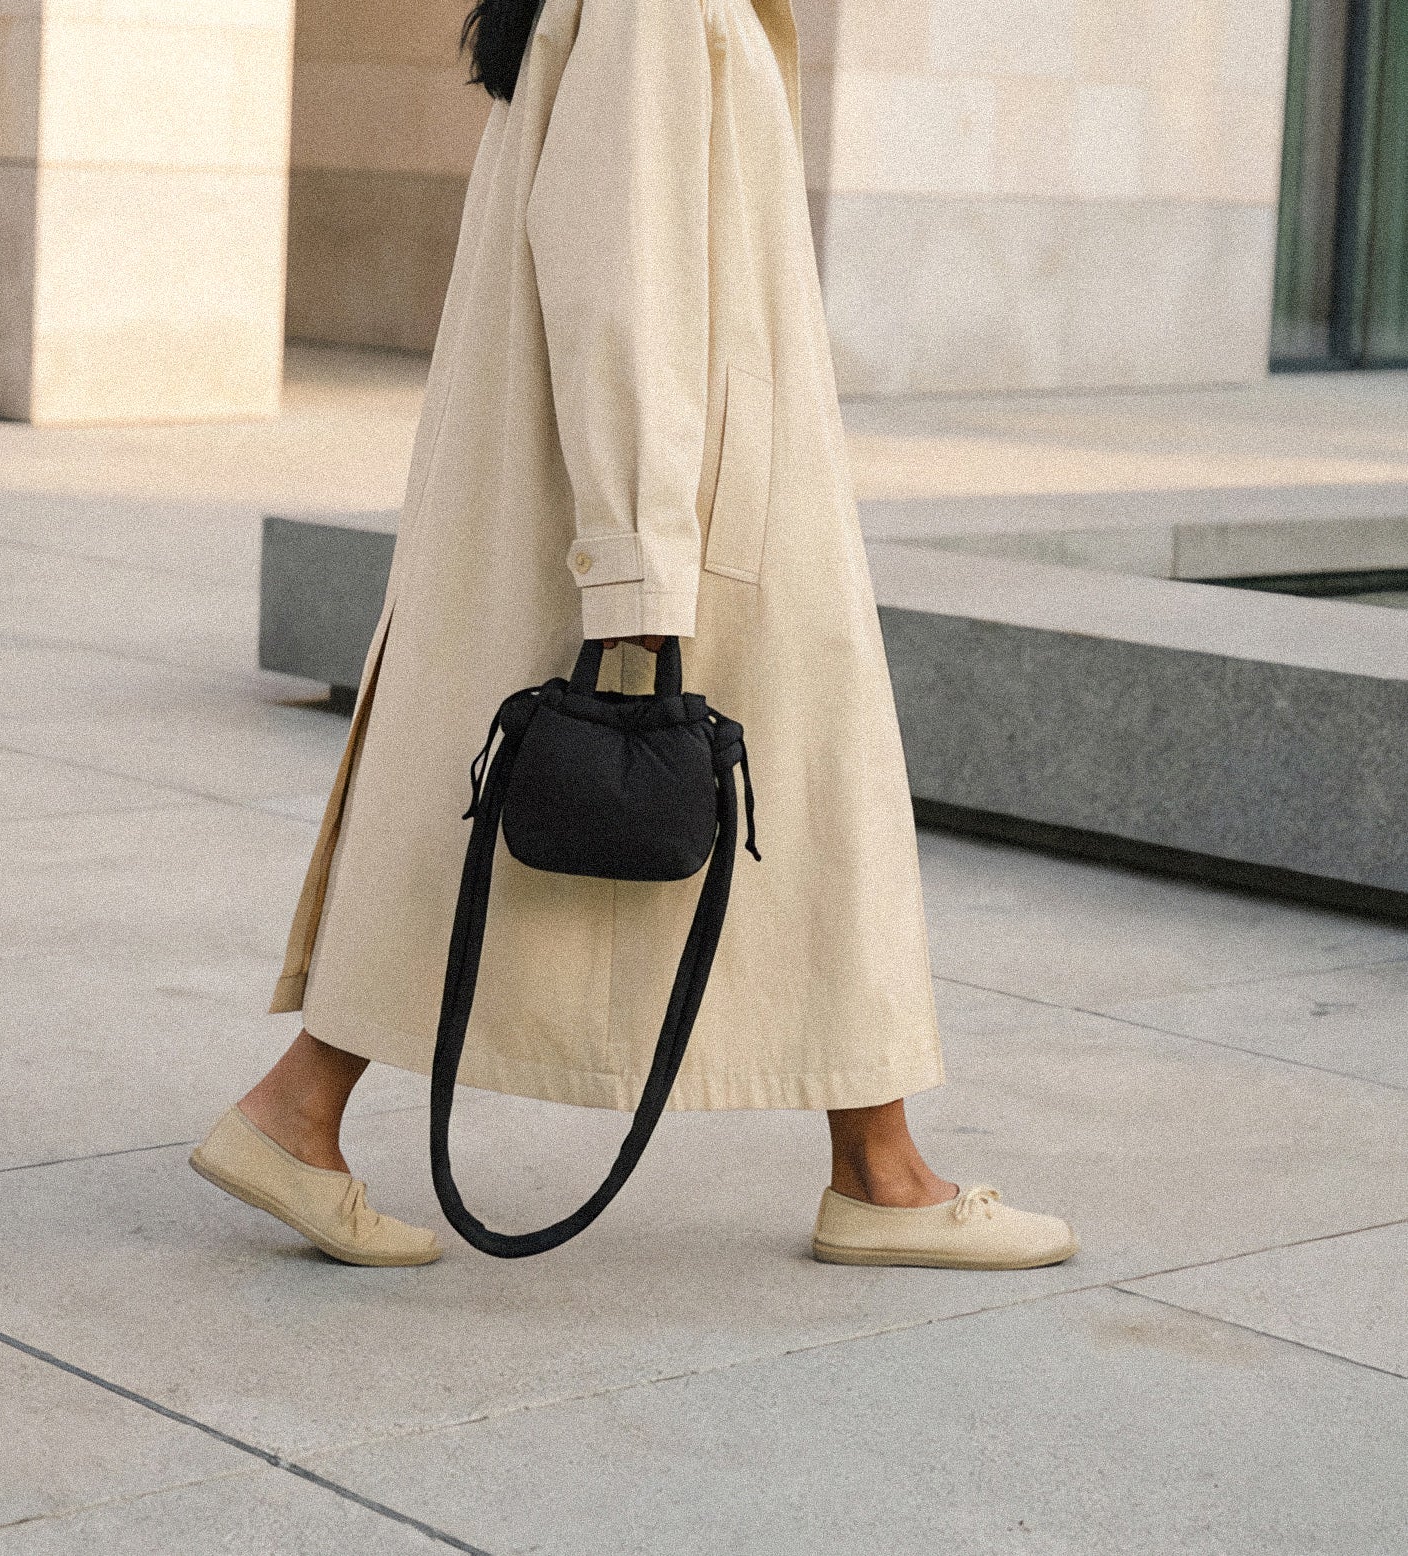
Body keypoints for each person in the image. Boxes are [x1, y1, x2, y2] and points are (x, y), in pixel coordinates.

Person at [189, 0, 1078, 1272]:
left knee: (555, 830)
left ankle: (300, 1108)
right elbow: (626, 287)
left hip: (684, 495)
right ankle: (878, 1169)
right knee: (797, 816)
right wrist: (637, 574)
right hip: (679, 514)